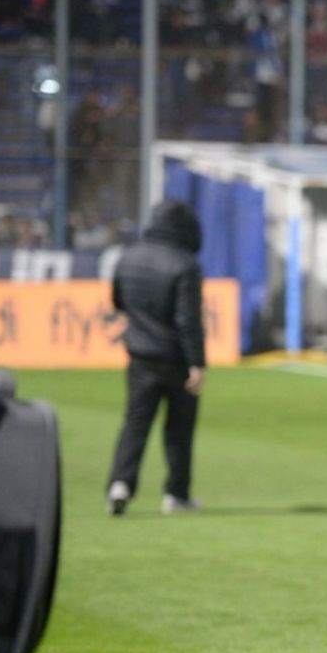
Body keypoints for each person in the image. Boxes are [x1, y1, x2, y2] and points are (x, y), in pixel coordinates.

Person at [105, 200, 207, 517]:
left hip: (139, 355)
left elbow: (118, 300)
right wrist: (197, 363)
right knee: (178, 430)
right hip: (175, 359)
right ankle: (176, 494)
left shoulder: (129, 256)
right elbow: (187, 319)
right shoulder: (185, 264)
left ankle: (120, 484)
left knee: (135, 424)